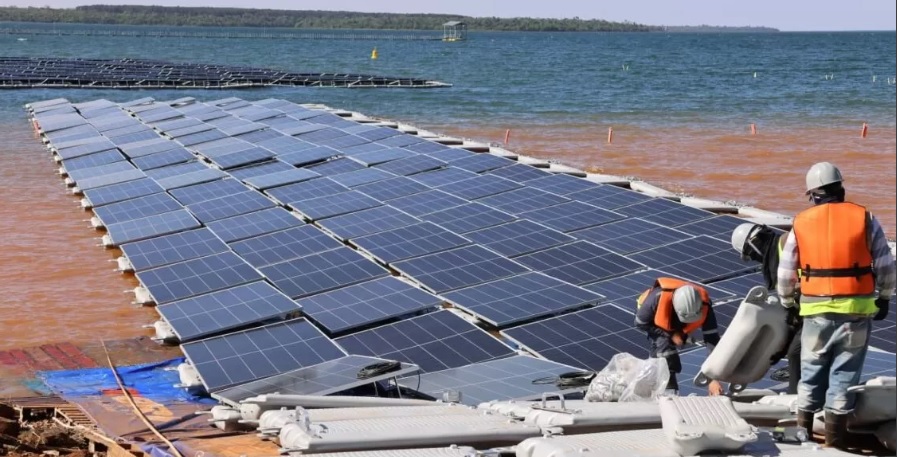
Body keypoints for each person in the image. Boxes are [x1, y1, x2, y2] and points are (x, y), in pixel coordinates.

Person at [777, 162, 896, 448]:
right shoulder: (865, 217)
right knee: (844, 376)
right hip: (856, 311)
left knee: (810, 372)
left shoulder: (801, 222)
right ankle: (834, 445)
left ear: (813, 195)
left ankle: (802, 434)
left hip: (814, 311)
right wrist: (885, 297)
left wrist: (788, 303)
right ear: (840, 188)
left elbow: (786, 272)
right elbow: (885, 264)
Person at [731, 222, 803, 394]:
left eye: (750, 254)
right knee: (797, 352)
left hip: (822, 304)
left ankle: (798, 402)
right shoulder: (776, 253)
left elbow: (797, 291)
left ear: (755, 243)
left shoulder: (786, 247)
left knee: (796, 353)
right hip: (812, 307)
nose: (754, 259)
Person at [635, 277, 724, 396]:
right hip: (653, 320)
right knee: (663, 346)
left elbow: (712, 340)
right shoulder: (656, 299)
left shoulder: (704, 305)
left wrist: (713, 378)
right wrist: (671, 334)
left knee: (669, 344)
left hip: (676, 318)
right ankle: (669, 389)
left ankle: (655, 373)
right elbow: (640, 323)